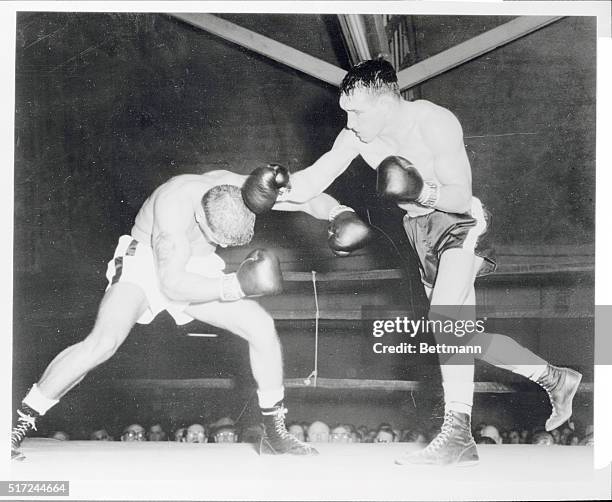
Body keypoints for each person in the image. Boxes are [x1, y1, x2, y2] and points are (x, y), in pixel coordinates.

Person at [266, 58, 582, 466]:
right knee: (458, 334)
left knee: (445, 320)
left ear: (386, 102)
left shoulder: (433, 121)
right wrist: (269, 191)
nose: (349, 119)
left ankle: (457, 435)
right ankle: (553, 378)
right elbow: (313, 179)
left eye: (357, 111)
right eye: (346, 110)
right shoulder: (356, 136)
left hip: (460, 219)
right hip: (419, 234)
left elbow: (458, 193)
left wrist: (417, 190)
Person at [11, 169, 341, 460]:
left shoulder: (241, 188)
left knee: (261, 325)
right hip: (147, 260)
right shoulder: (174, 204)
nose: (223, 248)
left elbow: (307, 192)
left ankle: (274, 433)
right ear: (200, 218)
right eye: (219, 241)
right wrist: (234, 286)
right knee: (103, 342)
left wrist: (339, 213)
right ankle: (17, 424)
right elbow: (172, 285)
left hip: (194, 266)